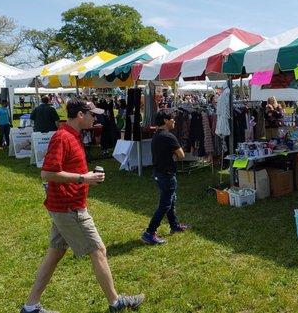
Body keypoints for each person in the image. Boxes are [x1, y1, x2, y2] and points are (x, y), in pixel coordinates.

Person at [20, 99, 143, 313]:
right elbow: (47, 173)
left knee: (55, 253)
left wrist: (86, 178)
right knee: (98, 250)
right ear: (80, 115)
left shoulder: (74, 135)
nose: (95, 118)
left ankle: (30, 307)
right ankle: (116, 302)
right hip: (69, 208)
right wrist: (82, 179)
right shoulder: (62, 137)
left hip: (66, 206)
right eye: (92, 114)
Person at [141, 111, 188, 245]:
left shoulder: (157, 135)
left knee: (171, 200)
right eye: (172, 119)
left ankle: (174, 225)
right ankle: (149, 232)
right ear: (166, 120)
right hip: (167, 174)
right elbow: (181, 155)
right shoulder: (169, 136)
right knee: (165, 204)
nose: (174, 121)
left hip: (159, 173)